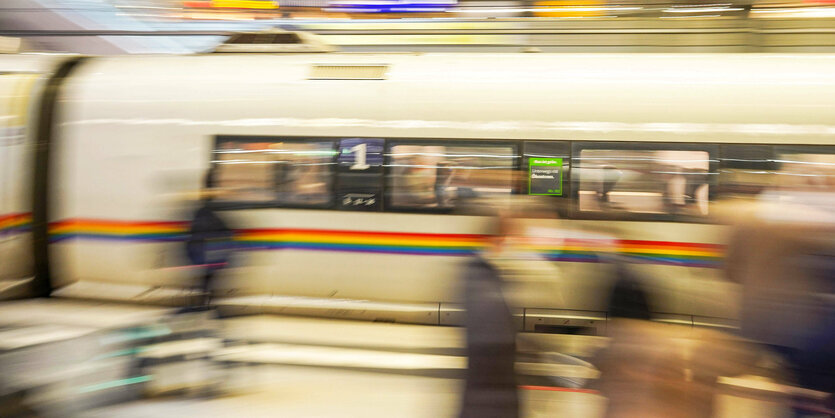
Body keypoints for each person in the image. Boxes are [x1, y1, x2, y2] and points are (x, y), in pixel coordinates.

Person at [458, 203, 519, 418]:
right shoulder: (481, 272)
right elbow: (495, 333)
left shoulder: (478, 270)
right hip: (491, 388)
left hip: (487, 387)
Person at [185, 168, 235, 309]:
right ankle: (202, 310)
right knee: (206, 287)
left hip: (203, 255)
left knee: (205, 287)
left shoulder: (201, 209)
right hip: (206, 255)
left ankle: (202, 308)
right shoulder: (209, 209)